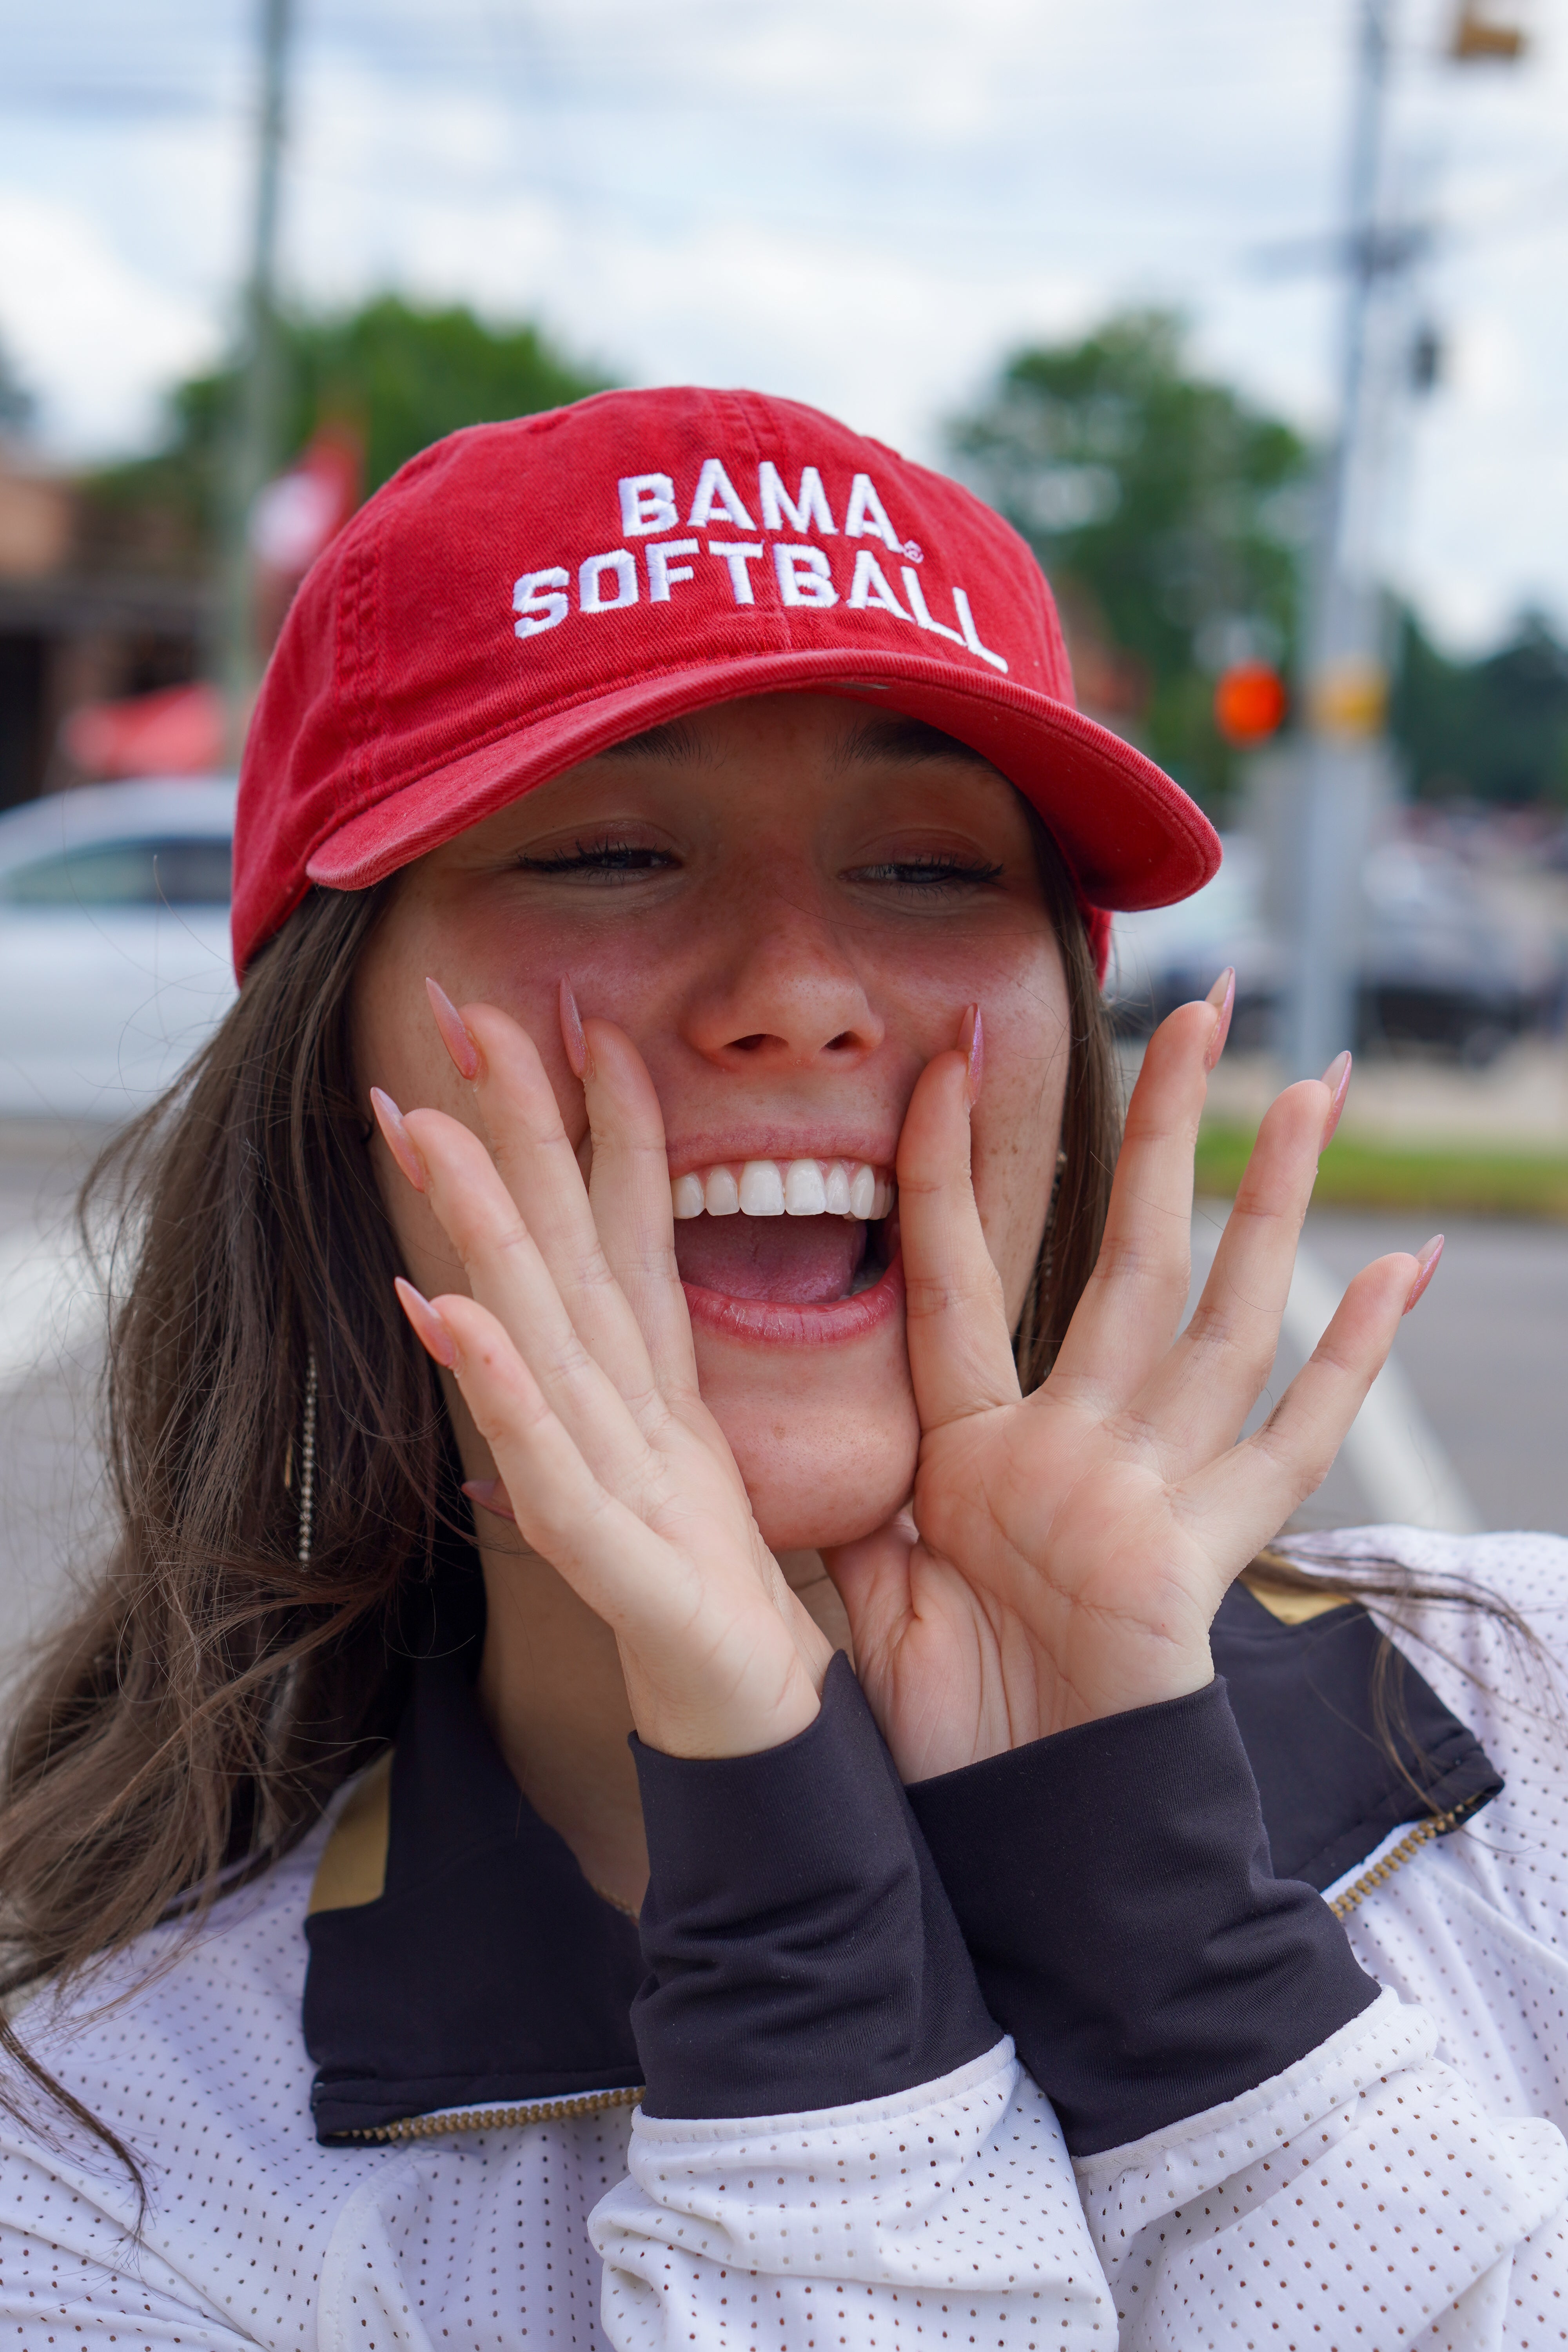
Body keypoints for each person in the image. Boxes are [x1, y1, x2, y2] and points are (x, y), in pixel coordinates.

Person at [0, 384, 1561, 2352]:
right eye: (606, 854)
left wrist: (1182, 1976)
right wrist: (812, 1984)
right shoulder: (104, 2168)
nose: (798, 996)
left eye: (925, 872)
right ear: (333, 1075)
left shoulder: (1542, 1712)